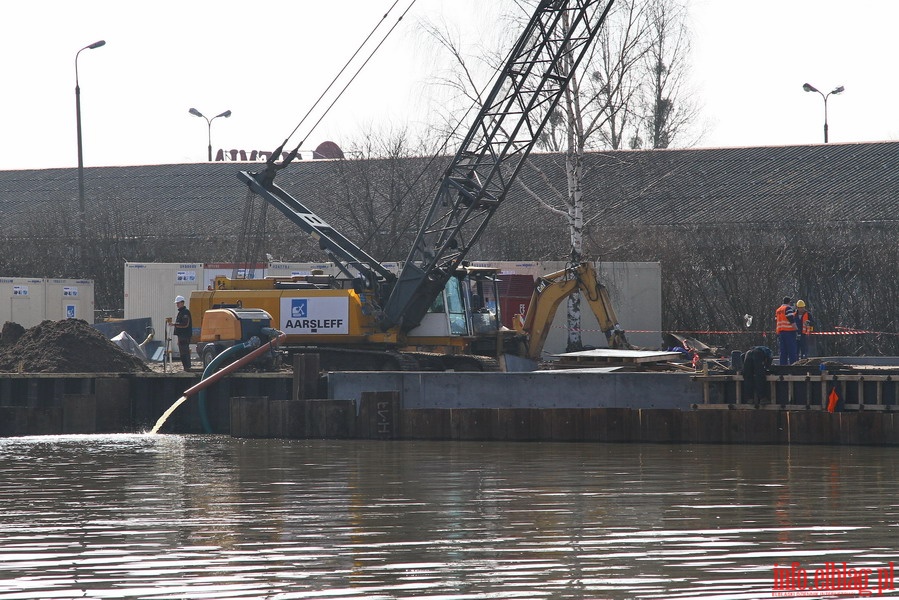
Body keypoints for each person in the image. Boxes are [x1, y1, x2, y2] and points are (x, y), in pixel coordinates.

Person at [774, 296, 798, 365]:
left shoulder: (778, 310)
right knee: (792, 351)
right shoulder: (788, 308)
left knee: (783, 351)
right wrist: (796, 329)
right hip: (789, 331)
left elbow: (776, 319)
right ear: (789, 302)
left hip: (781, 332)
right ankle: (793, 366)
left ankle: (783, 366)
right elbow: (791, 319)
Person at [173, 295, 193, 371]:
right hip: (181, 336)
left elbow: (185, 324)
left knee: (185, 352)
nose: (177, 304)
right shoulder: (181, 312)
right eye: (176, 303)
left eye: (178, 303)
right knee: (182, 353)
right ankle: (186, 367)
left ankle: (187, 367)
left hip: (185, 336)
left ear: (182, 303)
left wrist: (174, 324)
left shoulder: (185, 312)